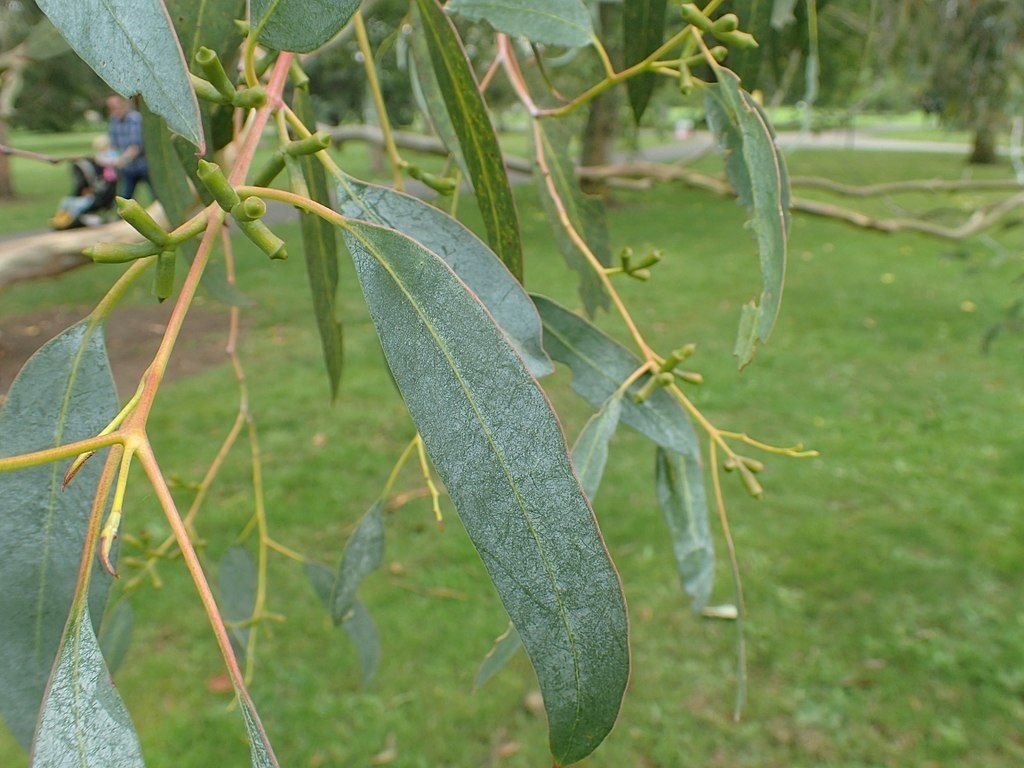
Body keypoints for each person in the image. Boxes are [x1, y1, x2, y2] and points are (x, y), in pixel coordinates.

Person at [106, 95, 150, 199]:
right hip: (127, 167)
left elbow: (135, 147)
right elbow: (113, 145)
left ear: (124, 104)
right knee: (125, 196)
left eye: (116, 106)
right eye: (111, 108)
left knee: (160, 196)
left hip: (144, 165)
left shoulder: (135, 119)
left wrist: (120, 160)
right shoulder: (113, 121)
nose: (114, 110)